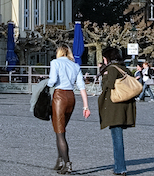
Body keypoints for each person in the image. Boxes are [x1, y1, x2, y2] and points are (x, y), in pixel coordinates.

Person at [45, 44, 90, 174]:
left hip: (59, 96)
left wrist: (45, 84)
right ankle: (60, 160)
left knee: (60, 132)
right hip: (71, 97)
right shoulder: (75, 65)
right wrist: (85, 106)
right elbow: (81, 86)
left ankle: (67, 163)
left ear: (59, 53)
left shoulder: (55, 62)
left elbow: (53, 80)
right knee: (61, 129)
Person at [98, 46, 135, 176]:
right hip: (124, 107)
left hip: (115, 108)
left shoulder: (112, 69)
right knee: (117, 137)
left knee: (117, 139)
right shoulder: (125, 68)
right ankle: (119, 167)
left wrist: (104, 75)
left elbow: (108, 85)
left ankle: (120, 168)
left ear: (107, 58)